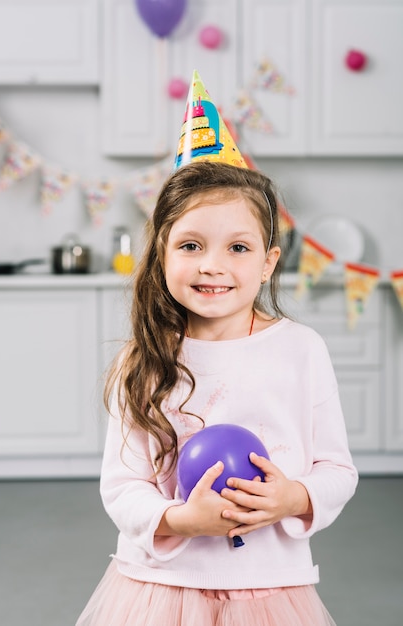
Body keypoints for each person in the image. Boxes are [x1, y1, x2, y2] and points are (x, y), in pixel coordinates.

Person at [76, 160, 358, 626]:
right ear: (162, 253)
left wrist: (293, 498)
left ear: (268, 263)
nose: (213, 266)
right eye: (190, 245)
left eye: (238, 248)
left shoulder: (300, 349)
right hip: (163, 586)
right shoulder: (143, 358)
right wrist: (182, 521)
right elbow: (123, 486)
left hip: (269, 583)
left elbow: (337, 470)